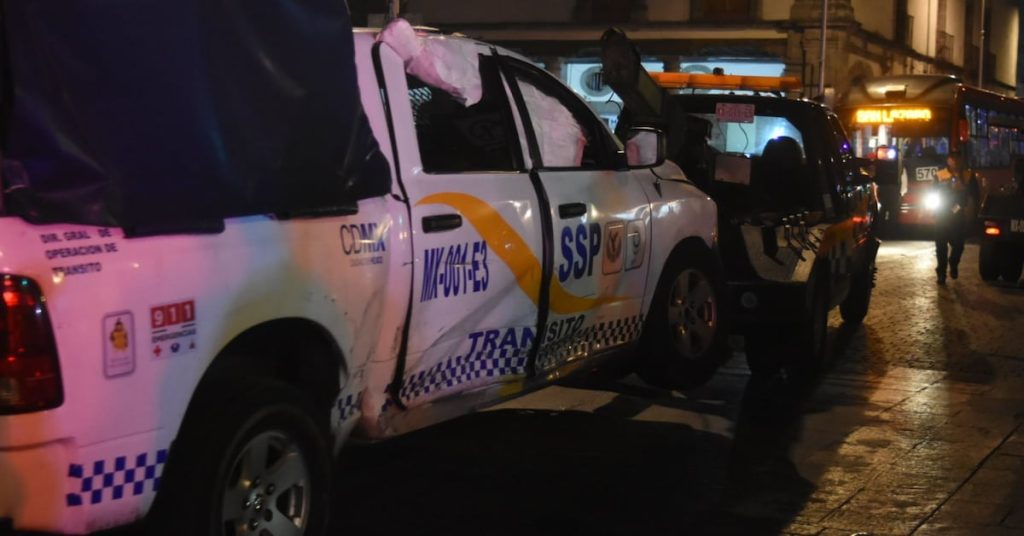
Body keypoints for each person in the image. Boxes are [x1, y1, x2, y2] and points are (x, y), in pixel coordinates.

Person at [933, 151, 968, 284]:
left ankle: (953, 262)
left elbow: (972, 196)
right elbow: (933, 191)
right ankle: (941, 273)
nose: (955, 162)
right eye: (952, 159)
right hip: (942, 214)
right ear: (948, 160)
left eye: (957, 158)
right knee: (940, 246)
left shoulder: (968, 176)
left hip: (958, 214)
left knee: (958, 245)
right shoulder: (940, 175)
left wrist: (962, 189)